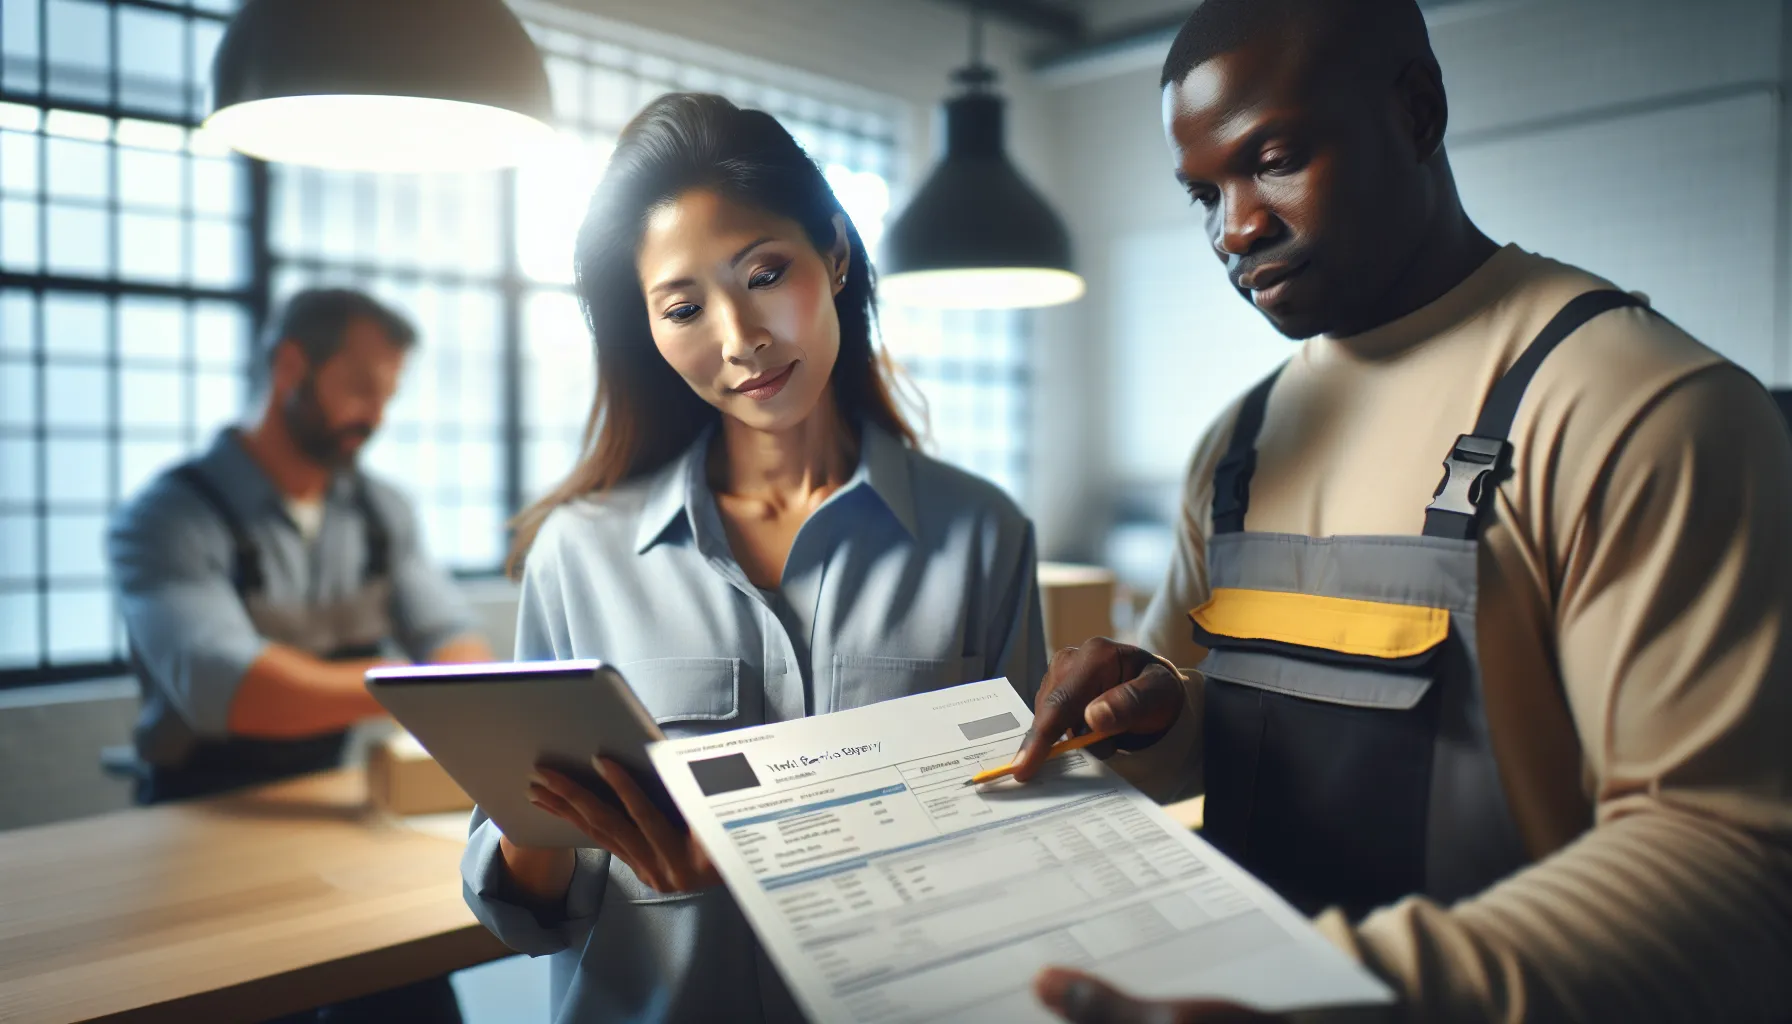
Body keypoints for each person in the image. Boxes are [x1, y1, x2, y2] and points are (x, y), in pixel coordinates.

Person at [1010, 2, 1792, 1022]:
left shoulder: (1634, 407)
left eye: (1275, 159)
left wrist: (1336, 989)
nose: (1234, 227)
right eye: (1204, 192)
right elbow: (1204, 736)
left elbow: (1727, 863)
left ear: (1416, 112)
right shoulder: (1237, 443)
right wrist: (1152, 707)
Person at [458, 92, 1047, 1023]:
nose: (739, 339)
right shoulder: (579, 553)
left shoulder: (982, 534)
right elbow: (520, 908)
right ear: (647, 332)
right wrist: (559, 830)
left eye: (766, 272)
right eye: (683, 306)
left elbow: (1028, 825)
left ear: (838, 257)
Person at [110, 289, 494, 1021]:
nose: (374, 415)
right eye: (358, 387)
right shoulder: (168, 516)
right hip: (195, 825)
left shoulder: (383, 512)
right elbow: (234, 689)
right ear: (291, 366)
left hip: (333, 805)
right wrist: (423, 688)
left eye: (386, 395)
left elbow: (456, 643)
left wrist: (453, 681)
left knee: (413, 995)